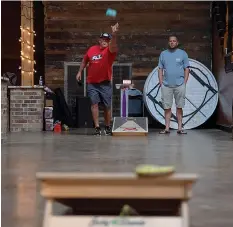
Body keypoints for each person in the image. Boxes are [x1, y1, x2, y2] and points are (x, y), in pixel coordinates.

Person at [76, 23, 119, 136]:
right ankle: (97, 127)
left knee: (106, 106)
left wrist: (114, 34)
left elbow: (113, 45)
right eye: (103, 39)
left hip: (105, 84)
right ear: (99, 40)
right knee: (94, 104)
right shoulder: (92, 49)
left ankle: (107, 126)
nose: (105, 41)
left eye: (107, 39)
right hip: (92, 83)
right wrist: (80, 71)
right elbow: (85, 60)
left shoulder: (110, 51)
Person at [158, 35, 190, 134]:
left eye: (174, 41)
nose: (172, 42)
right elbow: (160, 68)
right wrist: (160, 81)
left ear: (177, 42)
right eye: (170, 41)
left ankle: (180, 128)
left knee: (179, 107)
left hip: (179, 85)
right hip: (166, 85)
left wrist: (184, 82)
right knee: (167, 107)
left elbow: (187, 68)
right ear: (168, 42)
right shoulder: (163, 54)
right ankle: (167, 128)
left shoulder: (183, 53)